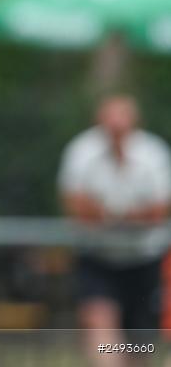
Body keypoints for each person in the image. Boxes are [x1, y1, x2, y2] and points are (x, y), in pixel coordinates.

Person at [59, 95, 171, 366]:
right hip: (98, 257)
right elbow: (77, 207)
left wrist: (107, 215)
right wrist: (128, 216)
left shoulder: (153, 153)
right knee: (100, 329)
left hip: (144, 259)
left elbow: (158, 212)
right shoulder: (81, 151)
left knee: (141, 346)